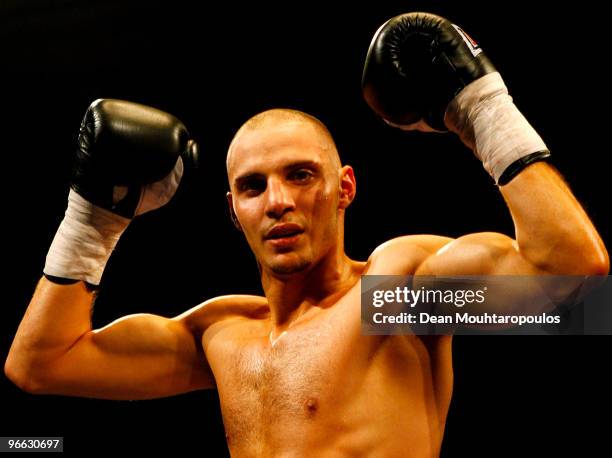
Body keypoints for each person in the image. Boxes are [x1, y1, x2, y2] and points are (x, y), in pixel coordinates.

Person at [5, 12, 608, 457]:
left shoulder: (396, 299)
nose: (280, 202)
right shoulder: (221, 336)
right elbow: (40, 364)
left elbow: (571, 282)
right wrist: (94, 219)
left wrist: (482, 108)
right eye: (253, 186)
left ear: (345, 188)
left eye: (301, 175)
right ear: (233, 210)